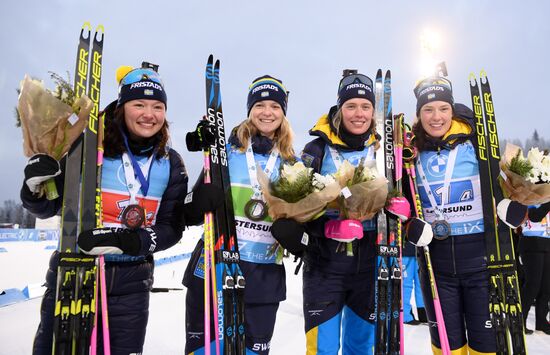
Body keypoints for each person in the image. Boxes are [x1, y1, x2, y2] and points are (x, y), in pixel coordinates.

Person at [21, 63, 222, 355]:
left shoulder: (171, 163)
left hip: (132, 284)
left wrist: (130, 242)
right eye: (139, 104)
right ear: (122, 107)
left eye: (157, 106)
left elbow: (170, 228)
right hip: (74, 275)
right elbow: (49, 207)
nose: (148, 114)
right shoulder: (87, 148)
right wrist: (33, 189)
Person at [183, 75, 296, 354]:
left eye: (274, 106)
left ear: (283, 113)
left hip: (263, 275)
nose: (266, 112)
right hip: (214, 266)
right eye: (259, 105)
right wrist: (198, 201)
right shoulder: (226, 154)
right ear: (249, 111)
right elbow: (189, 213)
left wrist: (297, 235)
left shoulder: (293, 164)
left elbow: (303, 220)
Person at [404, 75, 499, 353]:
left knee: (485, 346)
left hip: (479, 264)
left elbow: (499, 187)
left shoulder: (474, 143)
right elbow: (405, 206)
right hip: (437, 267)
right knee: (447, 347)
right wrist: (409, 225)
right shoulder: (412, 153)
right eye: (428, 110)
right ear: (419, 115)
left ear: (452, 110)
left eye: (443, 109)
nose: (436, 117)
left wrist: (510, 206)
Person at [291, 70, 383, 354]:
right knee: (323, 348)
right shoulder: (316, 149)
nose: (358, 113)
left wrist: (400, 210)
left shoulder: (384, 150)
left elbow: (404, 195)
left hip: (370, 264)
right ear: (339, 109)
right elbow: (295, 206)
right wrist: (327, 229)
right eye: (351, 106)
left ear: (373, 111)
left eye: (365, 106)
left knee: (360, 347)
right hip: (324, 265)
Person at [518, 202, 550, 334]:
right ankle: (520, 321)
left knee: (546, 286)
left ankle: (542, 321)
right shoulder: (530, 196)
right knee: (532, 286)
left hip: (547, 242)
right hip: (531, 243)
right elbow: (535, 216)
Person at [401, 242, 427, 325]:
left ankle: (423, 313)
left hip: (420, 249)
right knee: (406, 284)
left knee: (421, 282)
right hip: (405, 250)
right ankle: (405, 315)